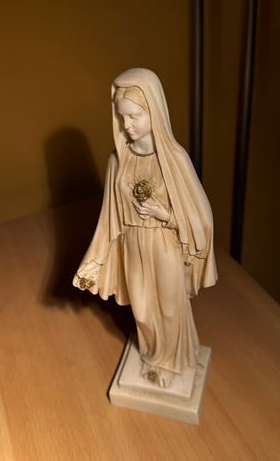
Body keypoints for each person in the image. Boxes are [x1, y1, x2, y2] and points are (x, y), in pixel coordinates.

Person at [73, 68, 217, 388]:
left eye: (135, 116)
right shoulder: (118, 161)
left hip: (164, 243)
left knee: (169, 307)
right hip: (132, 242)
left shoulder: (175, 159)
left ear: (154, 111)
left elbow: (201, 217)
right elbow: (108, 218)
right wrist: (94, 261)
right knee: (141, 308)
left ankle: (169, 362)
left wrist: (165, 215)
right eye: (122, 117)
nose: (128, 125)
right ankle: (154, 354)